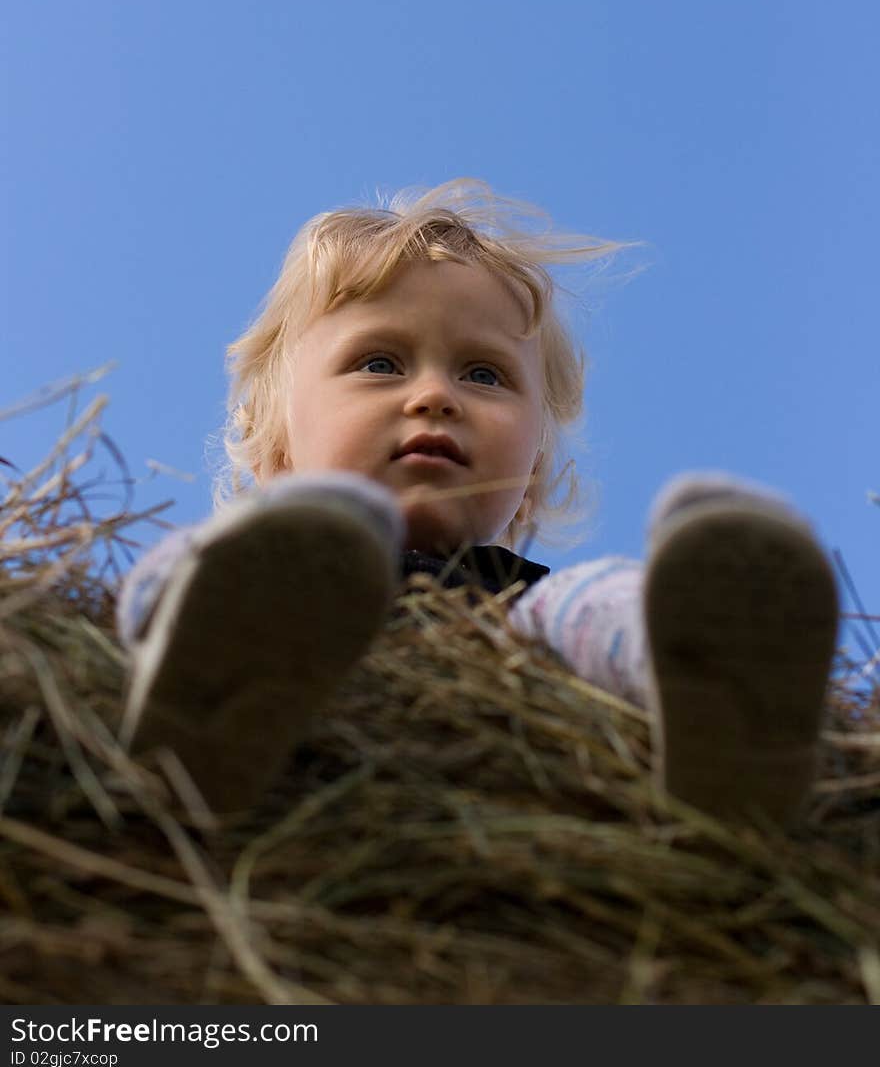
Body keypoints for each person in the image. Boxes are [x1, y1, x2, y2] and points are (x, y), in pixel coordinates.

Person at [116, 179, 840, 826]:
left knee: (612, 596)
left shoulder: (535, 612)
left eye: (485, 375)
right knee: (193, 566)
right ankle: (204, 691)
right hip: (281, 611)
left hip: (518, 672)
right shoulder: (255, 555)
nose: (435, 395)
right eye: (379, 363)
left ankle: (723, 706)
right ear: (275, 442)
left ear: (531, 473)